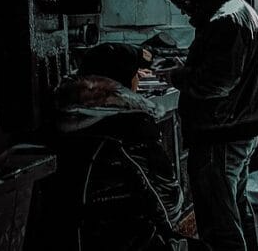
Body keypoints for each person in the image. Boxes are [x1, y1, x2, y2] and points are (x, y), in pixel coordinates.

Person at [160, 0, 258, 251]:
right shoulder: (239, 10)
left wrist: (176, 75)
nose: (184, 10)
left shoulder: (225, 21)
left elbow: (216, 83)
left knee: (220, 224)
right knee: (236, 210)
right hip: (238, 131)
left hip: (220, 135)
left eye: (185, 2)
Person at [37, 42, 186, 251]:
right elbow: (170, 205)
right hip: (128, 237)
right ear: (124, 79)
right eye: (135, 73)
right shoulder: (134, 126)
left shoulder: (60, 119)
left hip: (69, 237)